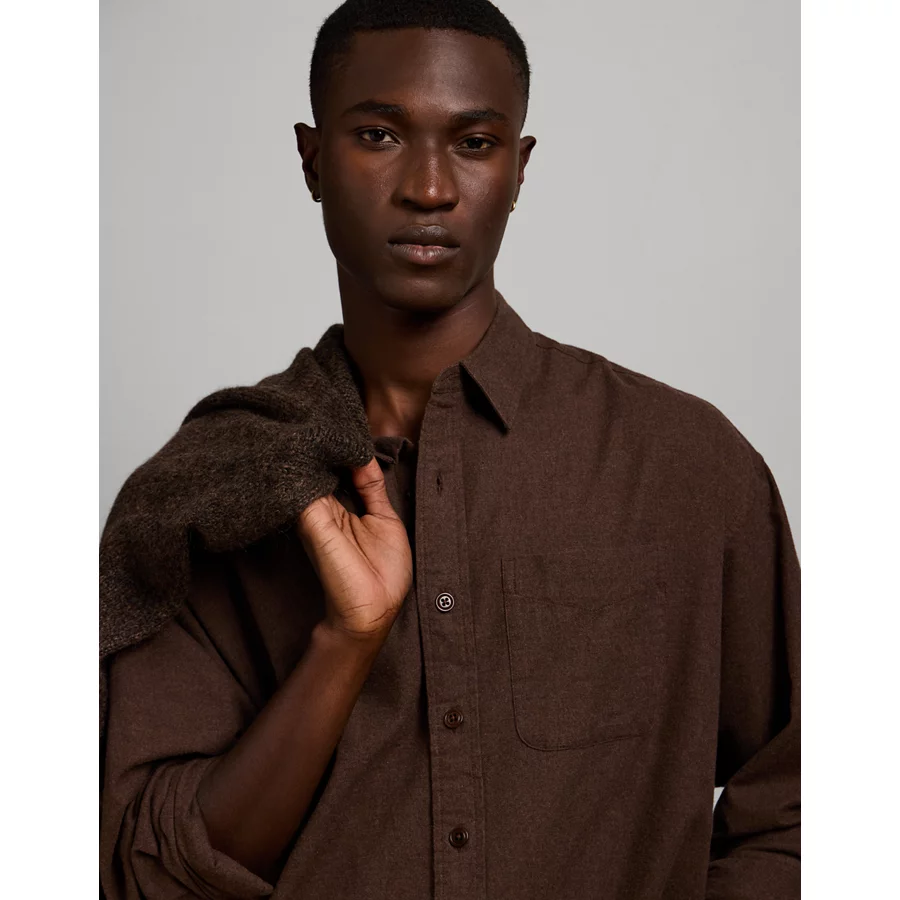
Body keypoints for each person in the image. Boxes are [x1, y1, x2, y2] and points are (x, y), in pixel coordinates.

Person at [99, 1, 800, 898]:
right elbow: (153, 869)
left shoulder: (686, 468)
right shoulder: (207, 493)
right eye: (380, 135)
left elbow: (807, 803)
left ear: (519, 169)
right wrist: (346, 642)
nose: (429, 189)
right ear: (312, 160)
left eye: (473, 143)